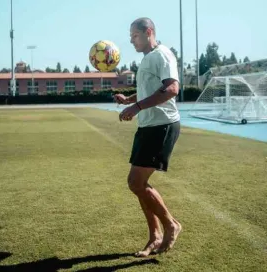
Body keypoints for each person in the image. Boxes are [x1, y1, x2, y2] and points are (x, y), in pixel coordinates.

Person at [114, 17, 182, 257]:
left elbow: (172, 88)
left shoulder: (162, 55)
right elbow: (150, 90)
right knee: (137, 184)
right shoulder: (148, 59)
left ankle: (171, 225)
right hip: (148, 126)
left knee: (135, 182)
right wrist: (130, 100)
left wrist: (137, 107)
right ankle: (155, 237)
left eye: (134, 35)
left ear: (148, 32)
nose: (131, 40)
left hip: (162, 126)